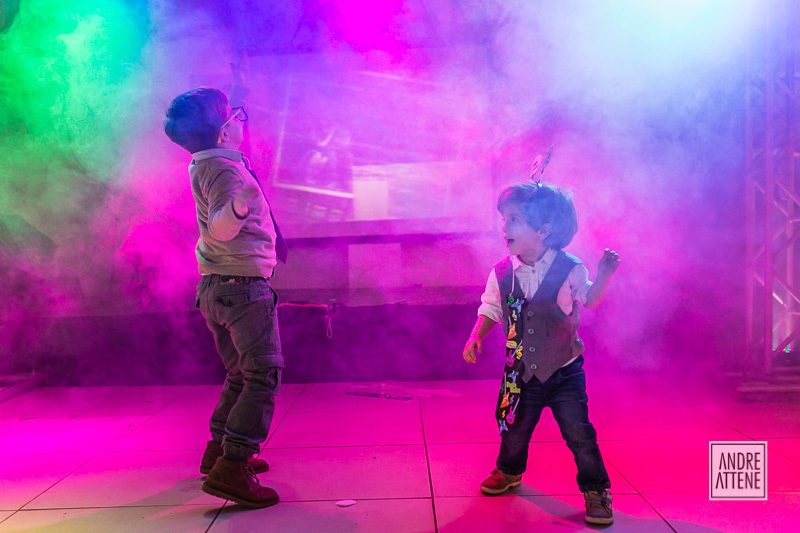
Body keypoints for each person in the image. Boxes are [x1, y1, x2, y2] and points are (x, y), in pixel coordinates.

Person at [463, 182, 620, 525]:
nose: (504, 227)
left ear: (544, 230)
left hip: (564, 370)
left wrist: (604, 276)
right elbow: (490, 308)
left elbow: (590, 300)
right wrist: (476, 336)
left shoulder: (571, 268)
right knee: (515, 428)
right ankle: (509, 471)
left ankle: (596, 489)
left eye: (514, 219)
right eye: (504, 219)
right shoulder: (502, 272)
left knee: (578, 432)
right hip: (520, 372)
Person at [164, 85, 288, 509]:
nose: (241, 120)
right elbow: (220, 228)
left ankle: (219, 452)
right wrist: (241, 203)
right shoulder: (226, 172)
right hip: (242, 288)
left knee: (240, 374)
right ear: (222, 133)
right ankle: (233, 466)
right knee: (262, 376)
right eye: (234, 115)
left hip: (218, 287)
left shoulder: (206, 164)